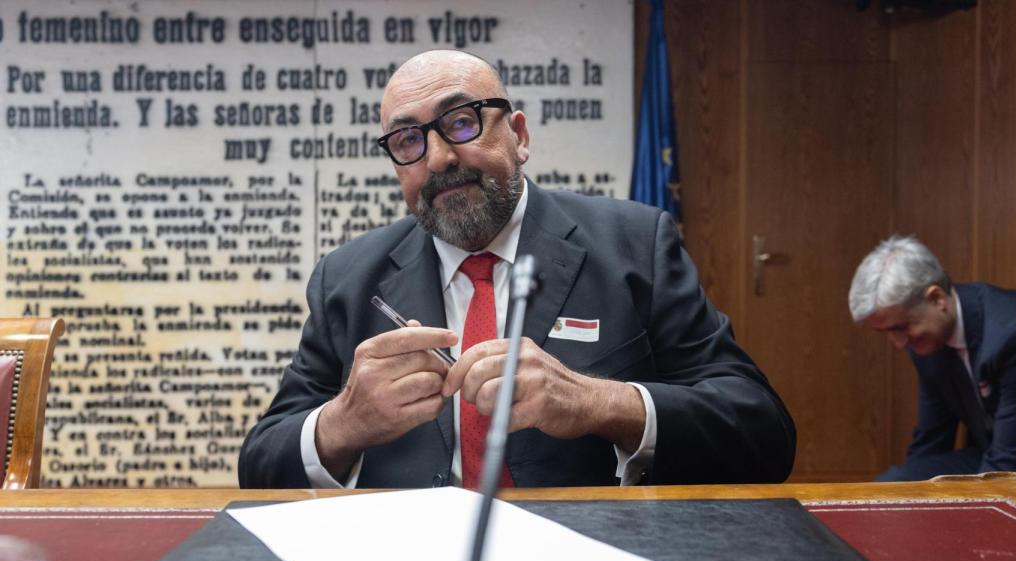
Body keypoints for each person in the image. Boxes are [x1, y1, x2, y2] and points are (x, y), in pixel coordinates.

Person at [239, 49, 795, 489]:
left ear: (519, 136)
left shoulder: (634, 244)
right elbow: (260, 463)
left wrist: (598, 402)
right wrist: (344, 422)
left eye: (461, 122)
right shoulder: (348, 277)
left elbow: (761, 432)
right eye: (408, 140)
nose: (438, 159)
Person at [849, 235, 1016, 480]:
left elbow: (1008, 464)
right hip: (993, 455)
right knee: (897, 484)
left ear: (936, 298)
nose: (899, 343)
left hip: (1013, 461)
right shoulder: (928, 340)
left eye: (900, 327)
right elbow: (931, 441)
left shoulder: (1014, 334)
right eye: (886, 332)